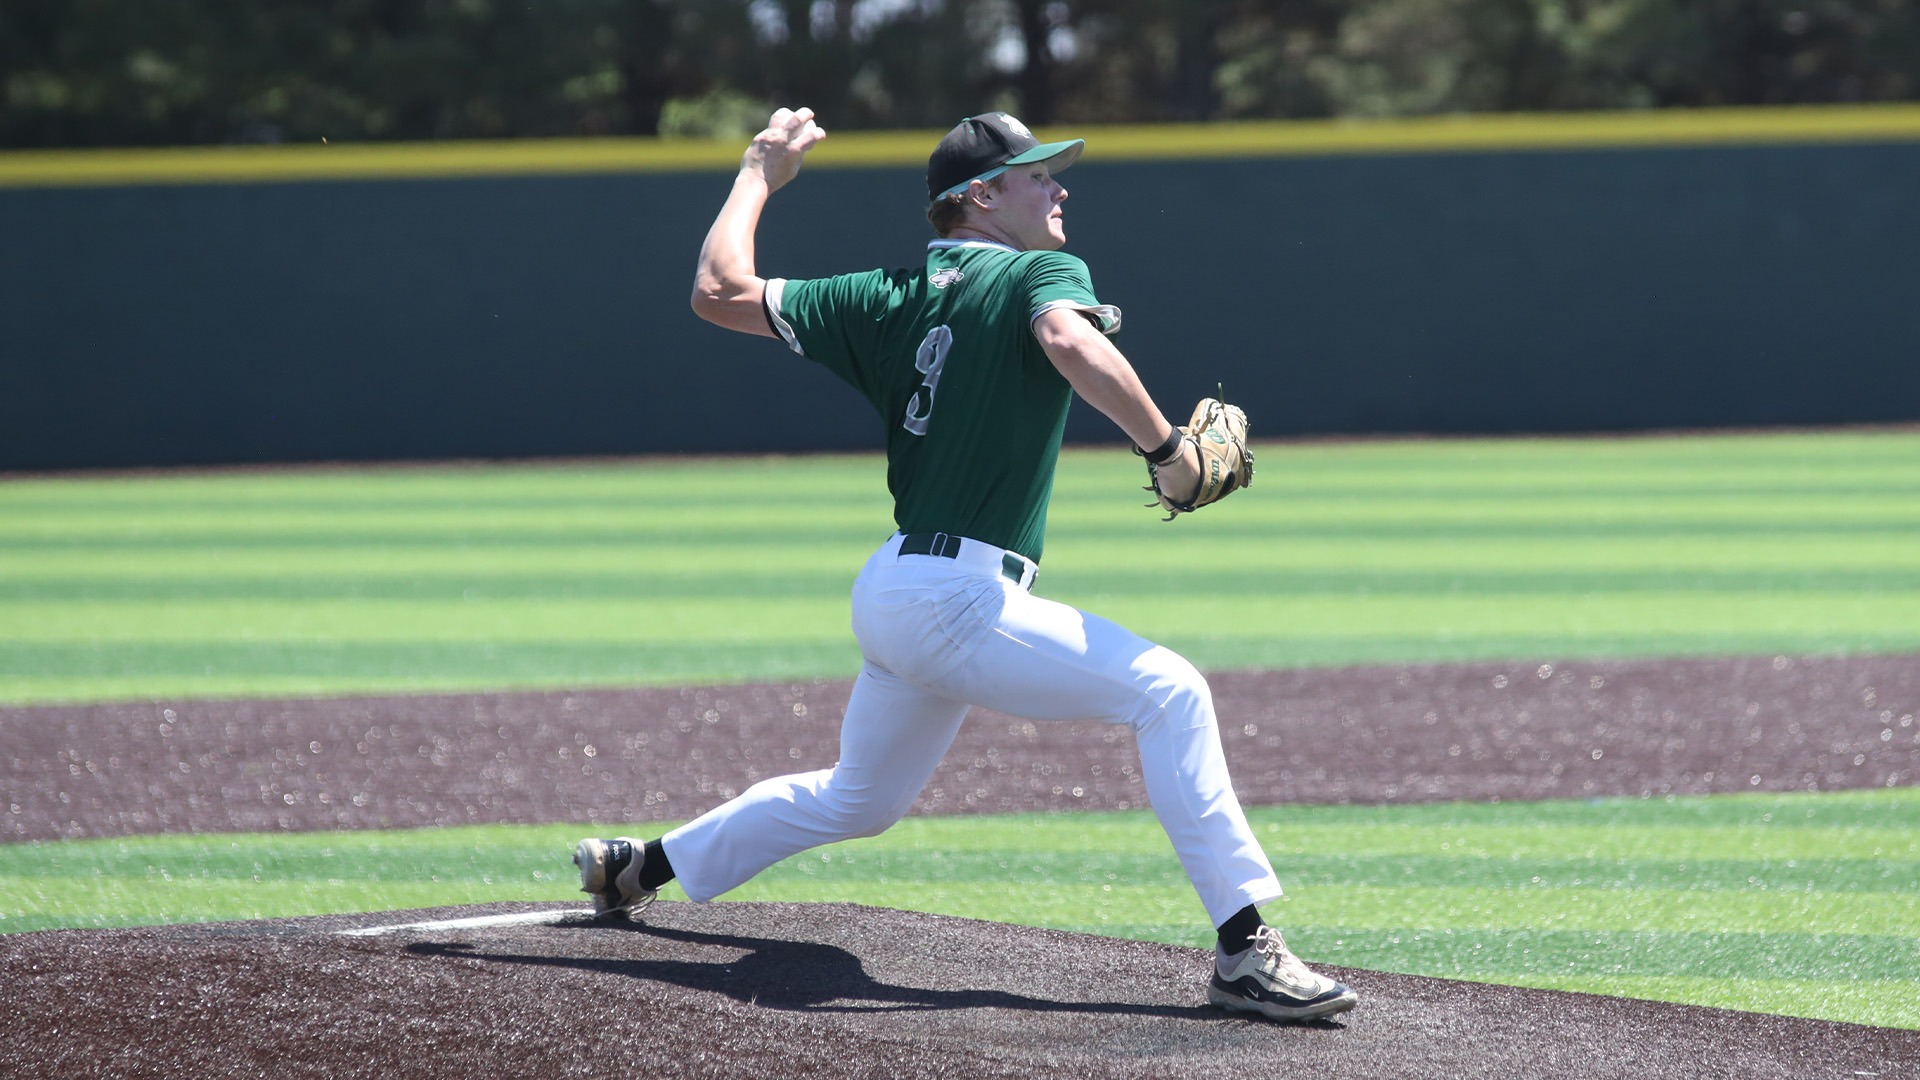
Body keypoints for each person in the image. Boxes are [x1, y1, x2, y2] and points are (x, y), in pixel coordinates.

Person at [574, 107, 1357, 1023]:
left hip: (898, 588)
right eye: (1038, 176)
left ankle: (641, 866)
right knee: (1171, 691)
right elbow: (1069, 342)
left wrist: (757, 172)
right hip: (956, 599)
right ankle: (1243, 954)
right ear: (980, 196)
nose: (1060, 189)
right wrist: (1168, 453)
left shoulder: (882, 294)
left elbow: (716, 291)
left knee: (859, 798)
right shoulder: (1039, 271)